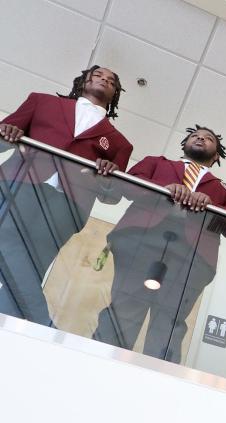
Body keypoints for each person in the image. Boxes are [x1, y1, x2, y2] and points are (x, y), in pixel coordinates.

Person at [93, 125, 226, 364]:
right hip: (141, 240)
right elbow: (128, 187)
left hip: (193, 255)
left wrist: (212, 206)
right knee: (125, 305)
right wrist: (162, 190)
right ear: (184, 145)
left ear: (216, 155)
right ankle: (103, 363)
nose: (201, 138)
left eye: (208, 138)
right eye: (195, 135)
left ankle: (160, 377)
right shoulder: (156, 163)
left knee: (171, 319)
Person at [0, 66, 132, 327]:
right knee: (8, 244)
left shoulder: (119, 143)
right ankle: (41, 324)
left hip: (67, 207)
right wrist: (8, 133)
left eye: (111, 81)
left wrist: (108, 177)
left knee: (29, 268)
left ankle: (13, 330)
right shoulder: (41, 101)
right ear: (83, 81)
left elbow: (112, 196)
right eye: (98, 75)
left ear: (115, 93)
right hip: (20, 186)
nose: (104, 80)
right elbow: (4, 136)